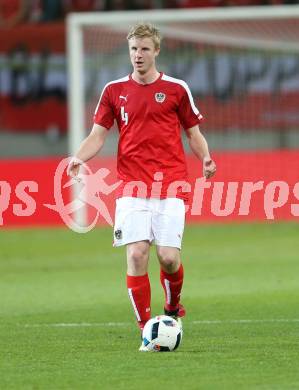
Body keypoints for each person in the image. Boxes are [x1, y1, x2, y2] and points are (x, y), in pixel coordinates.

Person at [67, 22, 216, 351]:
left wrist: (205, 158)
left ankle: (172, 307)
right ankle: (146, 327)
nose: (138, 55)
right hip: (131, 186)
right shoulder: (113, 91)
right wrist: (78, 158)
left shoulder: (177, 89)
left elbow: (193, 133)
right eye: (134, 49)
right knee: (136, 254)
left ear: (156, 51)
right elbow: (98, 135)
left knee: (168, 258)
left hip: (171, 183)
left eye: (145, 49)